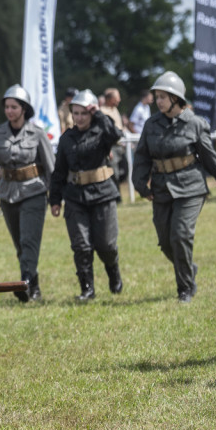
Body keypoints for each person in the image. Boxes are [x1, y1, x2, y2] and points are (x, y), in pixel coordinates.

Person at [131, 70, 216, 302]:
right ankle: (188, 267)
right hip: (161, 188)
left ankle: (185, 289)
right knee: (166, 242)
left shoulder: (195, 124)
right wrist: (140, 184)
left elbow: (210, 158)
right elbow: (141, 157)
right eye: (156, 96)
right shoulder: (151, 125)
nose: (157, 101)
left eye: (162, 97)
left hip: (191, 187)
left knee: (180, 235)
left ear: (176, 99)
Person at [0, 85, 55, 302]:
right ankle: (34, 284)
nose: (10, 111)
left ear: (24, 109)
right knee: (20, 245)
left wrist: (56, 196)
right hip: (8, 194)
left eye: (14, 107)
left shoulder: (37, 134)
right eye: (7, 107)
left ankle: (25, 282)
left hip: (34, 192)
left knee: (29, 240)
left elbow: (51, 166)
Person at [48, 89, 123, 301]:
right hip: (74, 197)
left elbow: (117, 135)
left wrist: (98, 113)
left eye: (84, 113)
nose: (79, 117)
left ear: (91, 113)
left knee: (106, 245)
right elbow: (59, 171)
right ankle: (87, 289)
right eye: (76, 113)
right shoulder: (66, 139)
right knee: (81, 246)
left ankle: (113, 271)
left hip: (103, 195)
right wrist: (55, 200)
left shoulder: (102, 131)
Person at [100, 87, 128, 186]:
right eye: (117, 97)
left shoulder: (115, 109)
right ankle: (116, 197)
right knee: (114, 173)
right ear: (110, 99)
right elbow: (103, 133)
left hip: (120, 145)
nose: (119, 100)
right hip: (111, 146)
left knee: (125, 170)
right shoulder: (102, 112)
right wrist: (108, 149)